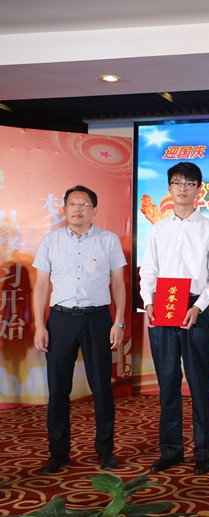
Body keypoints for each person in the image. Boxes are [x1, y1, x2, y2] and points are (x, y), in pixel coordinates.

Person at [139, 162, 209, 475]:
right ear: (169, 188)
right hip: (162, 306)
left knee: (200, 382)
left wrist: (198, 306)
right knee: (167, 381)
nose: (183, 188)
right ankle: (171, 450)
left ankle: (204, 452)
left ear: (198, 189)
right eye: (177, 182)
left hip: (194, 308)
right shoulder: (158, 229)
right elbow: (149, 269)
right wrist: (148, 302)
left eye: (190, 183)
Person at [32, 185, 126, 474]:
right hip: (60, 320)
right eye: (72, 203)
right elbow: (42, 285)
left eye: (84, 204)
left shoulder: (108, 240)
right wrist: (39, 325)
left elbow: (119, 284)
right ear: (64, 209)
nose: (78, 209)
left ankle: (105, 451)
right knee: (58, 389)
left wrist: (118, 321)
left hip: (98, 319)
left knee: (102, 388)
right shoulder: (51, 240)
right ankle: (58, 452)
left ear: (94, 209)